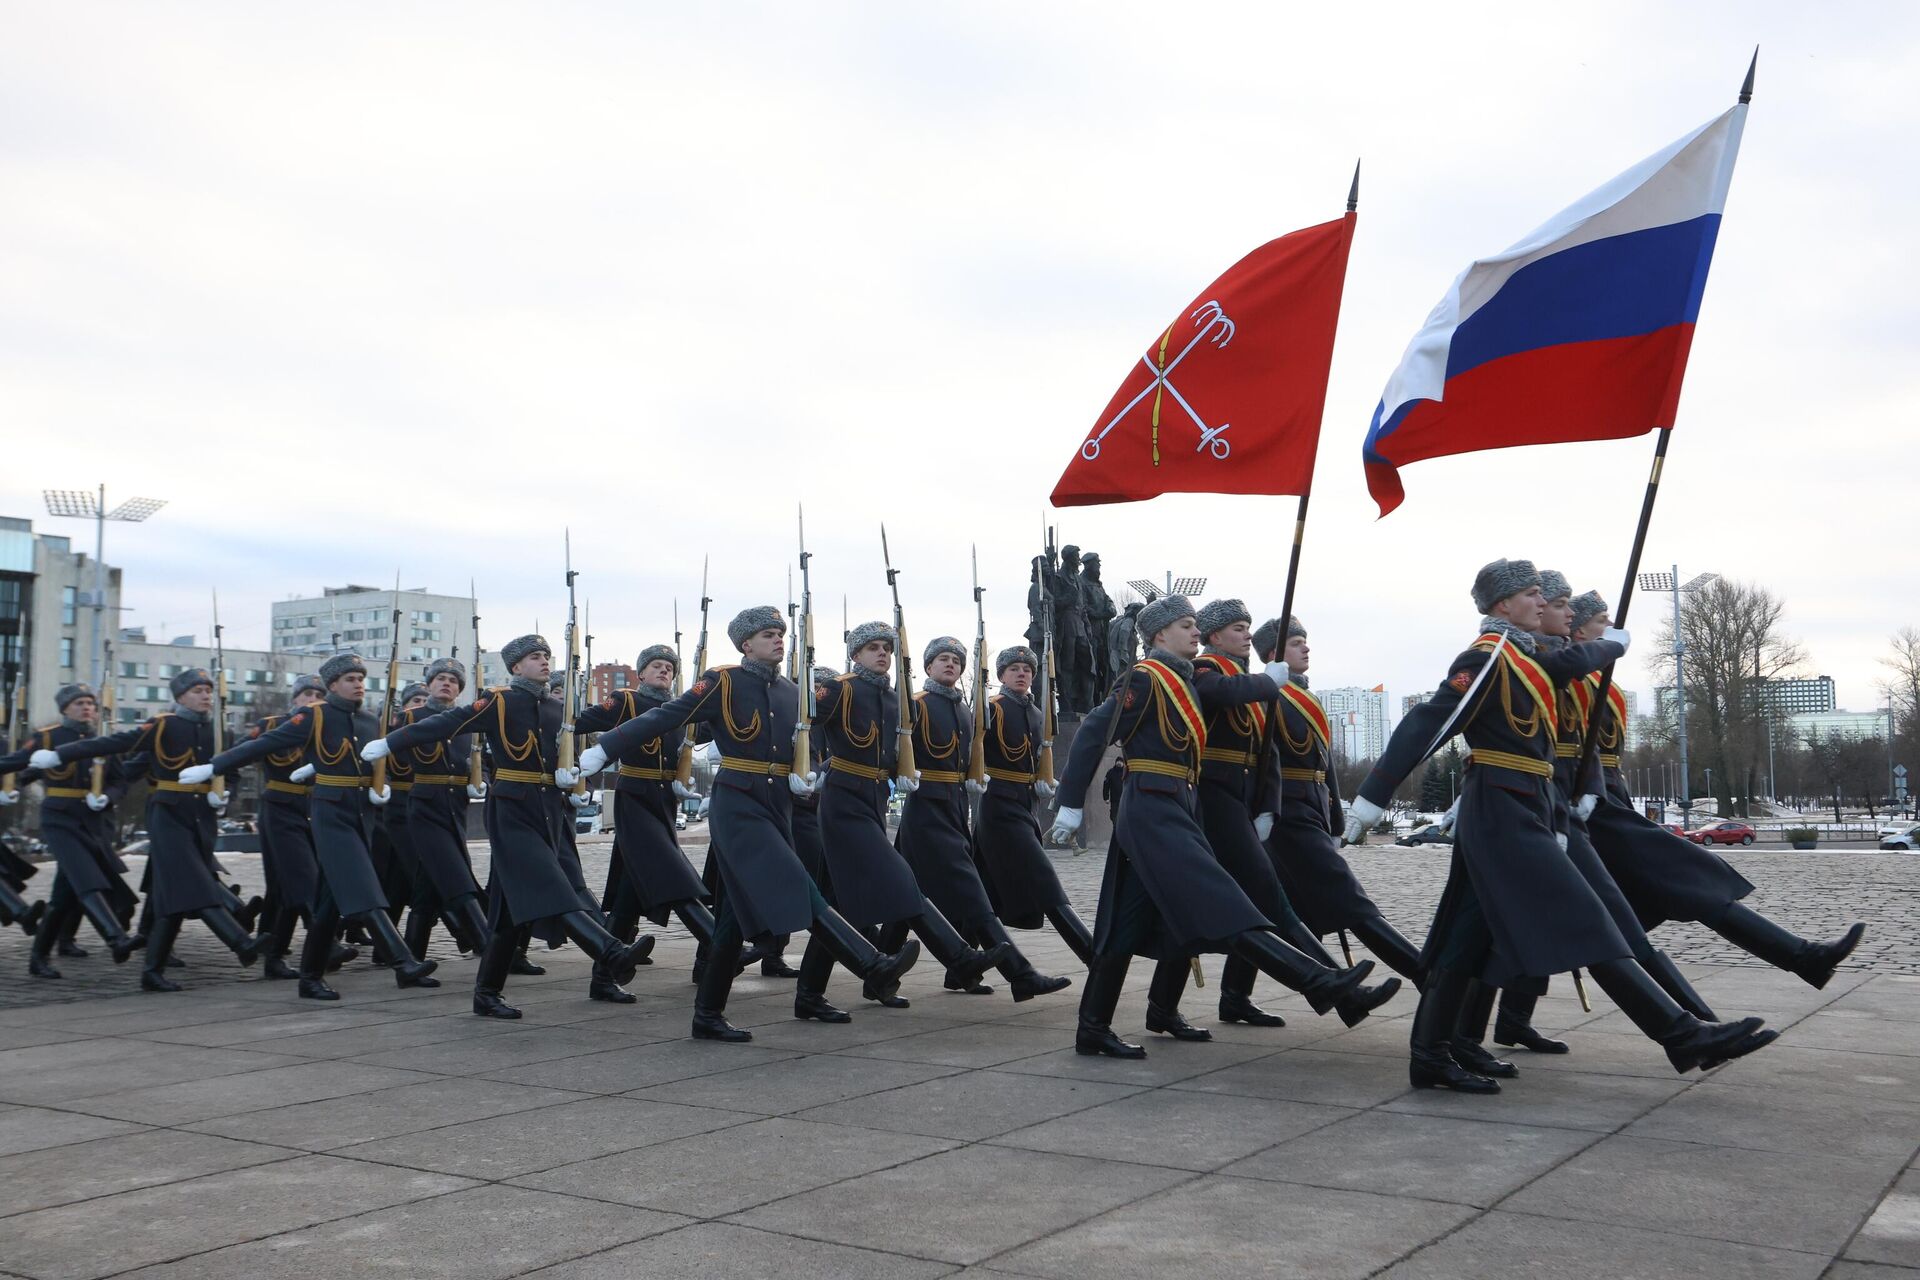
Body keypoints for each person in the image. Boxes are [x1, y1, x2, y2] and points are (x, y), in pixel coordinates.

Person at [1345, 560, 1779, 1092]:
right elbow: (1426, 721)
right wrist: (1372, 797)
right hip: (1499, 809)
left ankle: (1432, 1053)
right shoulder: (1488, 657)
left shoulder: (1528, 659)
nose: (1540, 601)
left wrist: (1554, 814)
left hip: (1523, 805)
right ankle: (1681, 1034)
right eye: (1530, 594)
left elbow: (1551, 731)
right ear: (1503, 605)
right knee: (1583, 918)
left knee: (1465, 938)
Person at [1049, 595, 1383, 1059]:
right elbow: (1093, 732)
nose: (1194, 632)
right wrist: (1069, 804)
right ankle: (1320, 982)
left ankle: (1093, 1027)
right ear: (1160, 635)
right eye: (1186, 625)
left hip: (1175, 807)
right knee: (1225, 903)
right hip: (1152, 807)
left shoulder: (1183, 684)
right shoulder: (1146, 678)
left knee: (1122, 925)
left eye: (1194, 625)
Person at [576, 606, 922, 1041]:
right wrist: (605, 746)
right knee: (799, 883)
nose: (778, 639)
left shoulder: (792, 691)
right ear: (745, 644)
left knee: (734, 918)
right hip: (738, 803)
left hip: (777, 804)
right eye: (768, 634)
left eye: (780, 633)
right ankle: (870, 962)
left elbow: (808, 738)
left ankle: (707, 1015)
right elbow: (666, 716)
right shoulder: (723, 681)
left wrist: (809, 770)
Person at [1569, 590, 1865, 988]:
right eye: (1602, 620)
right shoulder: (1569, 677)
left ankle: (1798, 960)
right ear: (1580, 630)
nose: (1611, 627)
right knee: (1684, 882)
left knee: (1657, 906)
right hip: (1594, 805)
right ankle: (1703, 1019)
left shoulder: (1598, 680)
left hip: (1611, 796)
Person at [1142, 600, 1401, 1040]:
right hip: (1211, 801)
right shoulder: (1206, 670)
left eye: (1247, 628)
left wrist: (1267, 805)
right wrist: (1267, 682)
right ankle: (1337, 990)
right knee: (1266, 898)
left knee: (1219, 908)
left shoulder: (1248, 681)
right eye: (1237, 629)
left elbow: (1267, 754)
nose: (1246, 635)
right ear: (1215, 636)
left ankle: (1180, 1005)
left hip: (1239, 802)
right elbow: (1219, 696)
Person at [368, 634, 652, 1019]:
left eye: (547, 656)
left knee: (503, 915)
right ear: (516, 666)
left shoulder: (558, 708)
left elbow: (597, 731)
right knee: (552, 886)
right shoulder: (499, 701)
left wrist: (579, 774)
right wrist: (391, 742)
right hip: (512, 810)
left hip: (548, 811)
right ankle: (609, 951)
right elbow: (449, 721)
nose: (544, 661)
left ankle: (486, 994)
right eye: (535, 657)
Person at [192, 653, 440, 1000]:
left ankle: (309, 977)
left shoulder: (371, 721)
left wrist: (379, 784)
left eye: (361, 678)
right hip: (330, 813)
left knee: (327, 904)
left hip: (361, 816)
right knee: (363, 886)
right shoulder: (314, 716)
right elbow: (264, 744)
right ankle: (404, 963)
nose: (358, 684)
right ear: (332, 685)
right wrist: (214, 768)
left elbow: (378, 759)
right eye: (350, 679)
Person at [799, 622, 1006, 1018]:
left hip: (874, 799)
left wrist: (905, 770)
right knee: (901, 878)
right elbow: (800, 725)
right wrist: (812, 769)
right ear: (855, 655)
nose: (882, 654)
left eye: (887, 649)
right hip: (842, 800)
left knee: (836, 903)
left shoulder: (895, 699)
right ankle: (958, 957)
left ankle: (812, 994)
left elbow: (893, 750)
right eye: (873, 648)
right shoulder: (839, 687)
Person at [38, 668, 265, 989]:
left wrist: (224, 795)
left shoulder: (217, 732)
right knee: (195, 883)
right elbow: (111, 743)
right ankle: (241, 942)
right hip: (168, 815)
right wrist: (59, 753)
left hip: (202, 818)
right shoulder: (164, 725)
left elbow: (230, 770)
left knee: (169, 897)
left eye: (208, 690)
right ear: (181, 696)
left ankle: (152, 971)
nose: (205, 696)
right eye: (198, 690)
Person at [892, 635, 1070, 1002]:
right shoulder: (919, 704)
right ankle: (1020, 974)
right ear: (927, 667)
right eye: (942, 659)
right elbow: (891, 748)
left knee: (907, 896)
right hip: (926, 810)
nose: (950, 665)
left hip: (957, 807)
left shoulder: (965, 710)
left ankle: (878, 969)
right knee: (970, 892)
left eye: (956, 661)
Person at [1252, 615, 1426, 988]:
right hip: (1288, 814)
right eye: (1297, 642)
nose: (1306, 647)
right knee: (1348, 896)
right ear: (1273, 653)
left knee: (1279, 909)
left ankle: (1235, 994)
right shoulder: (1268, 696)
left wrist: (1335, 821)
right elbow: (1265, 762)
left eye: (1305, 641)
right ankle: (1425, 973)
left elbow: (1326, 766)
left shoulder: (1306, 697)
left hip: (1312, 808)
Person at [574, 644, 716, 999]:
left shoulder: (681, 709)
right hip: (635, 795)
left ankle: (604, 977)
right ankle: (715, 940)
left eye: (669, 667)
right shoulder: (626, 701)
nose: (664, 671)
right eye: (656, 666)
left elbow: (712, 732)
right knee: (671, 869)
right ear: (641, 673)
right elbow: (580, 721)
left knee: (629, 892)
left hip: (665, 799)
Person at [0, 683, 139, 975]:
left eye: (90, 702)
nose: (86, 707)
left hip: (92, 822)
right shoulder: (48, 737)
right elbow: (18, 765)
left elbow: (121, 781)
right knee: (87, 879)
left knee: (64, 895)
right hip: (59, 819)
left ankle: (39, 958)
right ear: (64, 708)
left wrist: (107, 797)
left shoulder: (103, 741)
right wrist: (10, 788)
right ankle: (116, 939)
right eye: (79, 703)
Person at [972, 645, 1096, 963]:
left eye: (1027, 670)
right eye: (1014, 669)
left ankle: (962, 967)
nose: (1022, 673)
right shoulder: (992, 708)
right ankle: (1092, 953)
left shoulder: (1038, 712)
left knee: (984, 889)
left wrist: (1042, 777)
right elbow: (971, 751)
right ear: (1001, 675)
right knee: (1043, 878)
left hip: (1025, 805)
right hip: (998, 805)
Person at [390, 659, 492, 963]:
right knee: (456, 875)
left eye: (453, 680)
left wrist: (481, 780)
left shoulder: (469, 720)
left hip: (455, 807)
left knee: (427, 888)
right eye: (440, 678)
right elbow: (389, 756)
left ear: (459, 689)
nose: (446, 683)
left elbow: (481, 760)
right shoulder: (410, 718)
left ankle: (410, 962)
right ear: (429, 684)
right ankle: (490, 947)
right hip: (424, 805)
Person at [239, 674, 329, 980]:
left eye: (319, 693)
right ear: (295, 699)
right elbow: (240, 750)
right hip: (278, 809)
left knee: (284, 888)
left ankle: (273, 957)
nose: (313, 698)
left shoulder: (327, 726)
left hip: (312, 809)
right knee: (304, 879)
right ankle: (326, 944)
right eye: (307, 693)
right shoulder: (272, 725)